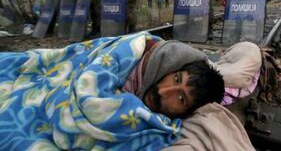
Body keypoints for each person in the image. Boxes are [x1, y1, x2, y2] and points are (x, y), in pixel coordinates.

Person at [0, 32, 225, 150]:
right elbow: (89, 81)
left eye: (180, 98)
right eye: (176, 78)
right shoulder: (137, 54)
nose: (165, 91)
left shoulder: (162, 124)